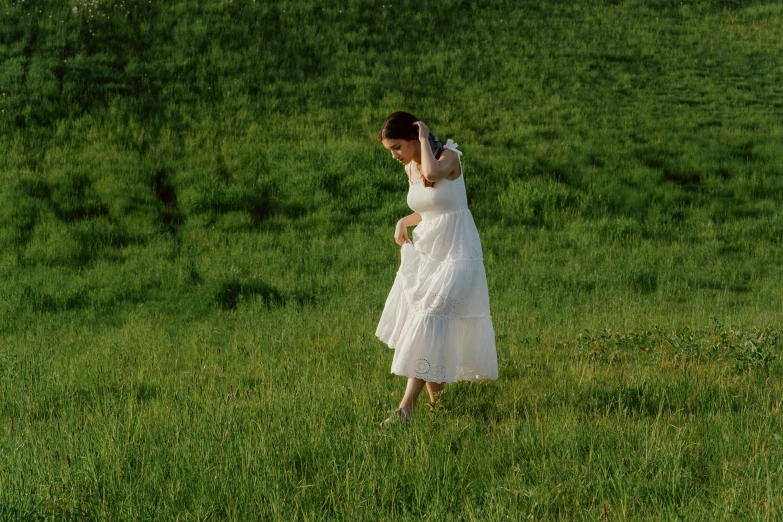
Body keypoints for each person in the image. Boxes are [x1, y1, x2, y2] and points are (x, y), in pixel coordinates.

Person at [375, 111, 498, 427]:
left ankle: (406, 409)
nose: (395, 156)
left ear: (414, 137)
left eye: (398, 147)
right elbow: (427, 207)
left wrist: (424, 139)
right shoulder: (411, 167)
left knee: (430, 319)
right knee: (431, 324)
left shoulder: (449, 156)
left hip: (458, 253)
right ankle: (438, 407)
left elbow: (434, 173)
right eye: (390, 150)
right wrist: (405, 219)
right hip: (430, 253)